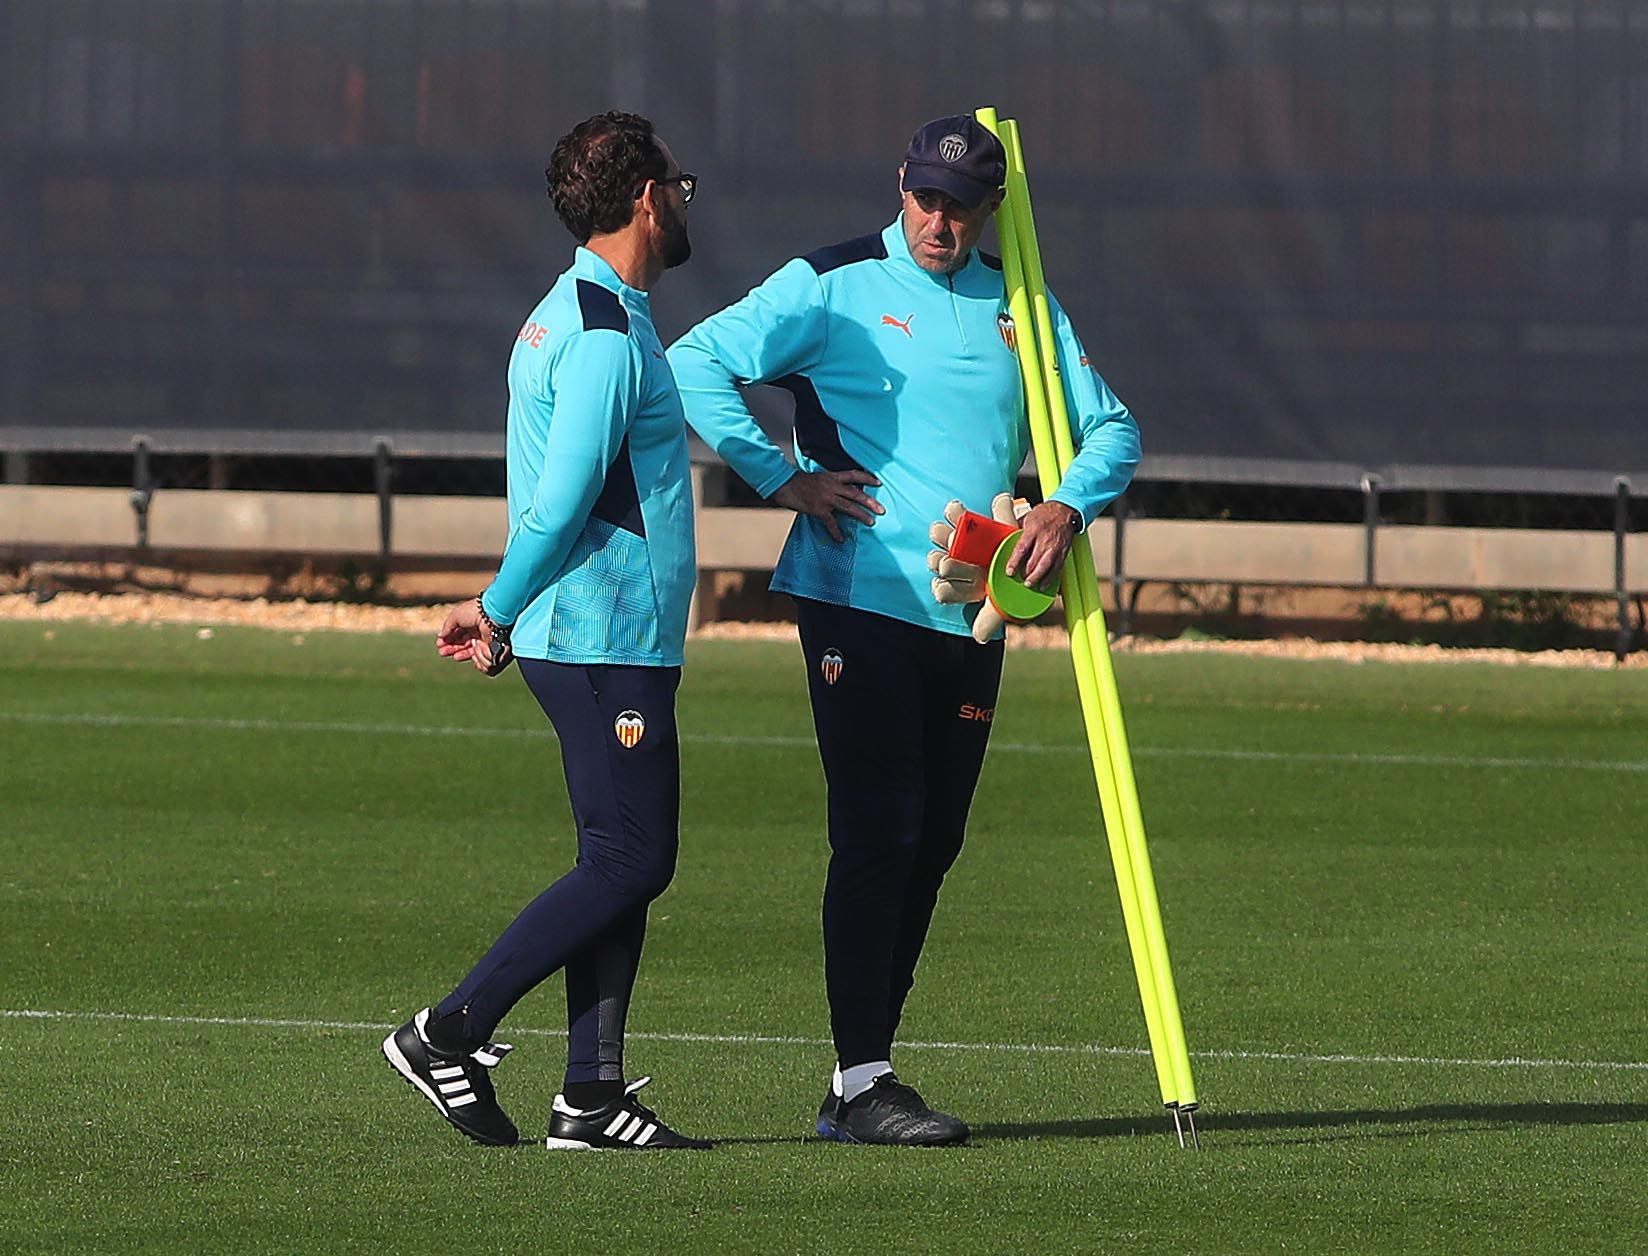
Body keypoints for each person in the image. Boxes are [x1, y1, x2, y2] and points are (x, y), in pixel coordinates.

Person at [668, 114, 1140, 1146]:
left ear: (992, 211)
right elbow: (695, 358)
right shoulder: (832, 283)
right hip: (853, 595)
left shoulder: (1020, 304)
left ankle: (858, 1079)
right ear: (901, 185)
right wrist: (780, 475)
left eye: (962, 206)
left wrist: (1063, 506)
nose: (940, 220)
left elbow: (1112, 426)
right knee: (879, 826)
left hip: (970, 611)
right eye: (926, 198)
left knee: (932, 839)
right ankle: (864, 1074)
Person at [382, 110, 708, 1151]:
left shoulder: (570, 310)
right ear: (646, 199)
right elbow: (562, 498)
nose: (684, 201)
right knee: (631, 859)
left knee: (616, 856)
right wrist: (498, 605)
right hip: (601, 637)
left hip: (602, 635)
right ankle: (447, 1031)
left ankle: (591, 1095)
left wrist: (514, 607)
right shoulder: (605, 330)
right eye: (677, 186)